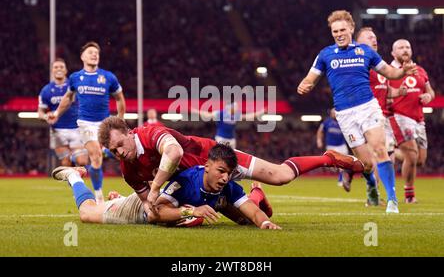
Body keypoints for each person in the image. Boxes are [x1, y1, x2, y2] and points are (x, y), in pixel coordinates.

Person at [97, 116, 365, 213]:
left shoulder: (149, 133)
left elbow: (174, 152)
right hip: (203, 184)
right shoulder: (127, 169)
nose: (119, 152)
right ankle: (257, 197)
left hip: (216, 159)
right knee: (245, 221)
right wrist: (153, 207)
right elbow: (148, 202)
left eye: (121, 144)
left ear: (130, 132)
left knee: (282, 175)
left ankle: (328, 159)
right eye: (113, 151)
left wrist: (155, 188)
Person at [297, 10, 417, 213]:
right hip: (345, 115)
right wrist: (304, 85)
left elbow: (390, 72)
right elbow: (310, 78)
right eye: (335, 31)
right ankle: (371, 185)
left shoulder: (366, 52)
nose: (339, 34)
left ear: (351, 28)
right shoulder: (325, 54)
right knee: (366, 163)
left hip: (368, 107)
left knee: (380, 149)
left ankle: (392, 200)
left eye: (342, 29)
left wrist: (402, 72)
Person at [50, 144, 278, 229]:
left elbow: (253, 213)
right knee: (87, 213)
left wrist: (265, 222)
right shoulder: (187, 181)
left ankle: (257, 192)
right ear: (207, 166)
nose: (225, 178)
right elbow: (155, 213)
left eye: (229, 174)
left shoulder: (228, 185)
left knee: (243, 219)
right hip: (143, 209)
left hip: (160, 198)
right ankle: (74, 177)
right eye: (221, 171)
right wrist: (191, 211)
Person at [48, 41, 126, 203]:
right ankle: (98, 195)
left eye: (96, 52)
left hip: (105, 123)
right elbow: (68, 98)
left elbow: (119, 97)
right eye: (90, 52)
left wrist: (120, 118)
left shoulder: (108, 77)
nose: (94, 54)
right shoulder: (76, 78)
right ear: (82, 56)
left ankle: (105, 153)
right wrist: (56, 113)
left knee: (118, 151)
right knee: (95, 155)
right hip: (85, 123)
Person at [355, 27, 408, 206]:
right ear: (360, 43)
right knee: (373, 158)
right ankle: (372, 189)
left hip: (382, 116)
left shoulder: (379, 65)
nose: (374, 39)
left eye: (375, 37)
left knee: (385, 156)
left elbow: (384, 90)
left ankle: (381, 194)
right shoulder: (359, 66)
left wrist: (397, 91)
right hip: (366, 116)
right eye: (370, 37)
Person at [389, 39, 435, 203]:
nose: (405, 50)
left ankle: (391, 152)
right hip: (399, 116)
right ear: (393, 53)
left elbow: (430, 92)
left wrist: (428, 96)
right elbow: (382, 92)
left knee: (420, 160)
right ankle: (409, 195)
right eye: (400, 47)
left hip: (418, 120)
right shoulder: (389, 71)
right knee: (412, 154)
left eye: (408, 47)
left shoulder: (420, 70)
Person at [38, 59, 88, 167]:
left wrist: (56, 114)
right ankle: (75, 181)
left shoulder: (73, 86)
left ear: (66, 70)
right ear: (52, 70)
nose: (59, 69)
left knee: (82, 161)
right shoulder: (46, 90)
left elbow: (74, 102)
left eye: (61, 67)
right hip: (57, 131)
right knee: (66, 163)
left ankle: (73, 157)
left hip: (76, 128)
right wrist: (47, 116)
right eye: (56, 67)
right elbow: (40, 113)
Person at [192, 102, 264, 149]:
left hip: (231, 139)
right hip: (221, 138)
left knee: (232, 156)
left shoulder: (235, 115)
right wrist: (196, 111)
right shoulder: (220, 113)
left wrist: (261, 112)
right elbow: (207, 115)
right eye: (235, 108)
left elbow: (249, 116)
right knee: (220, 155)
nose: (236, 110)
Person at [316, 109, 350, 186]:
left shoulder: (343, 122)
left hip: (341, 145)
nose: (333, 114)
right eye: (332, 113)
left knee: (343, 163)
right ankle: (337, 174)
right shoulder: (327, 122)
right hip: (331, 146)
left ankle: (341, 178)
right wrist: (319, 140)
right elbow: (320, 131)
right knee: (333, 164)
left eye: (334, 113)